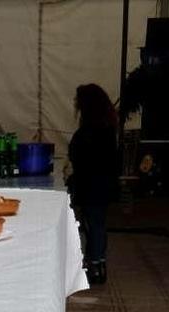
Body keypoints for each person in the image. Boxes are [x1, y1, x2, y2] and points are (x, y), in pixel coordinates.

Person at [68, 83, 119, 285]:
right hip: (101, 185)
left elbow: (79, 155)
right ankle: (97, 263)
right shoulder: (106, 127)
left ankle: (95, 265)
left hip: (91, 185)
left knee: (94, 225)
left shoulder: (91, 131)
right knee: (97, 224)